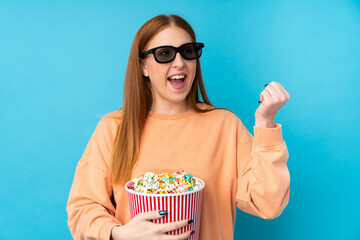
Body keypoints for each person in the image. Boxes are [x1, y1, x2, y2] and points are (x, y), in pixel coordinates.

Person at [66, 14, 291, 240]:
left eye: (188, 51)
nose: (180, 62)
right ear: (143, 66)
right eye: (164, 53)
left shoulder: (225, 126)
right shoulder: (113, 129)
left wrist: (265, 123)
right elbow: (83, 209)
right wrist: (118, 233)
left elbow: (268, 204)